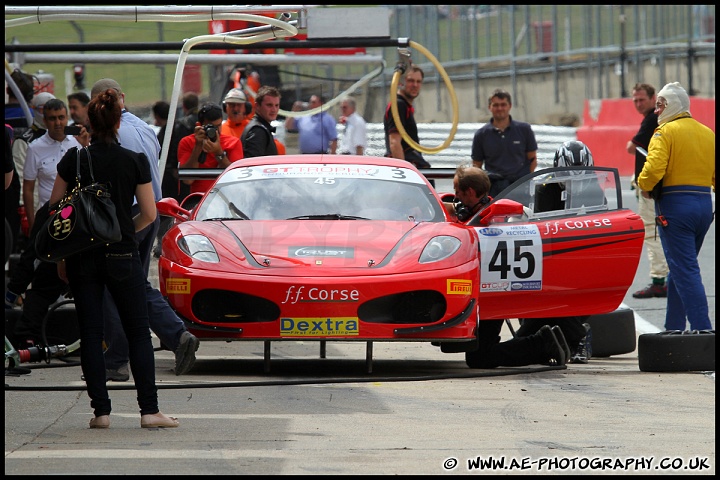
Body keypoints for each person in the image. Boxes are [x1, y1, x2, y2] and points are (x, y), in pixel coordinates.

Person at [49, 88, 178, 429]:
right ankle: (149, 411)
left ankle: (100, 412)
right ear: (119, 122)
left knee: (92, 332)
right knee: (137, 331)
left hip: (81, 256)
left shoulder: (73, 161)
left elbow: (55, 210)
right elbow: (150, 214)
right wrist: (120, 231)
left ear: (87, 124)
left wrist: (69, 249)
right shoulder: (133, 161)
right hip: (121, 252)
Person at [90, 78, 200, 379]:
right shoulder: (142, 128)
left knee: (111, 287)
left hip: (128, 217)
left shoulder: (116, 134)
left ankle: (117, 357)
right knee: (134, 283)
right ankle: (177, 336)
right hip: (150, 212)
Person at [637, 82, 715, 332]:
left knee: (685, 268)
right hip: (704, 205)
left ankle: (703, 329)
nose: (657, 111)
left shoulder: (665, 132)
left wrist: (644, 185)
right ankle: (673, 327)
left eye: (661, 105)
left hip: (675, 206)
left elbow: (653, 169)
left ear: (672, 106)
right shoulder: (708, 133)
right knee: (680, 267)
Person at [7, 99, 84, 347]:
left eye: (62, 118)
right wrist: (30, 220)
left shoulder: (79, 144)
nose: (58, 123)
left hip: (75, 216)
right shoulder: (36, 147)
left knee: (50, 270)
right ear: (45, 119)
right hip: (47, 213)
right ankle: (13, 295)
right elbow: (28, 188)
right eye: (52, 118)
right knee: (33, 257)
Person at [626, 83, 669, 299]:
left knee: (652, 231)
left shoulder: (653, 118)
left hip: (651, 187)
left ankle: (659, 280)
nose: (638, 103)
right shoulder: (659, 119)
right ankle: (667, 278)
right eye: (635, 99)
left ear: (654, 99)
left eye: (642, 99)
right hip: (660, 186)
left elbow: (631, 147)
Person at [471, 88, 538, 198]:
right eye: (496, 105)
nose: (500, 108)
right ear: (490, 107)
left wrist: (524, 180)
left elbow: (533, 160)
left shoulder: (524, 129)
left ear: (509, 106)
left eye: (503, 104)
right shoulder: (481, 134)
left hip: (521, 187)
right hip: (494, 188)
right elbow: (476, 166)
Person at [177, 102, 244, 195]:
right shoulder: (187, 142)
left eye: (219, 125)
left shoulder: (233, 143)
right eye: (211, 127)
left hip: (227, 196)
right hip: (198, 198)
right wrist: (197, 146)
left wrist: (219, 153)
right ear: (199, 125)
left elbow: (236, 177)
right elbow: (188, 180)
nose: (216, 131)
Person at [383, 65, 430, 169]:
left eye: (418, 81)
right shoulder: (398, 105)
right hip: (405, 165)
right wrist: (404, 172)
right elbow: (394, 142)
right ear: (400, 82)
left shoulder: (405, 106)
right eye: (410, 80)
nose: (415, 85)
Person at [241, 85, 282, 158]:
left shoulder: (261, 128)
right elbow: (253, 164)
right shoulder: (257, 131)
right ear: (257, 106)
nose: (274, 110)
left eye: (276, 105)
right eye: (269, 105)